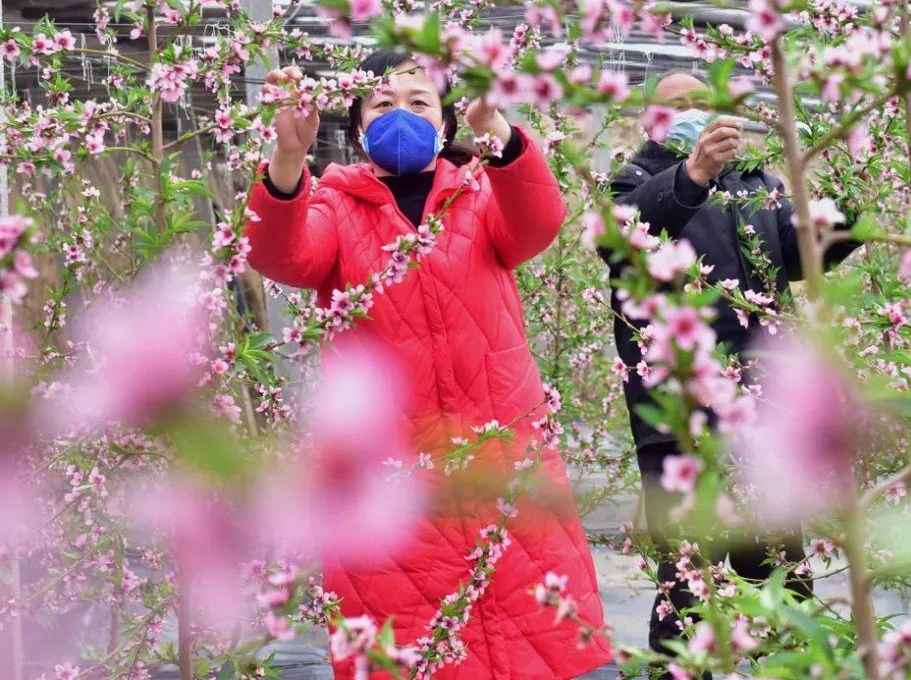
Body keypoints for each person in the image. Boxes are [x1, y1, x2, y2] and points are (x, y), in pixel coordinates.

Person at [244, 49, 610, 679]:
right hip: (390, 479)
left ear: (446, 121)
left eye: (420, 103)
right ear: (358, 126)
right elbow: (282, 256)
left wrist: (497, 130)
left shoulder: (479, 194)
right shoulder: (335, 205)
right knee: (413, 652)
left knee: (534, 641)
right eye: (382, 103)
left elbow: (539, 222)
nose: (401, 116)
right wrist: (287, 160)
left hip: (501, 464)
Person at [603, 71, 858, 668]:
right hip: (679, 411)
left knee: (776, 561)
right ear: (650, 120)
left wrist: (844, 211)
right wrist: (691, 177)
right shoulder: (633, 180)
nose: (692, 112)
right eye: (676, 106)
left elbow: (798, 260)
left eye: (702, 103)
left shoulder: (756, 183)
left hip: (763, 402)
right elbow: (626, 239)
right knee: (689, 574)